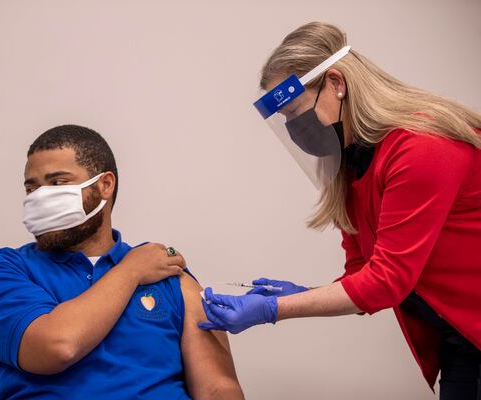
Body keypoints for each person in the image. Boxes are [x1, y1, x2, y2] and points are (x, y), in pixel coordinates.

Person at [199, 22, 481, 399]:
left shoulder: (420, 149)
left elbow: (385, 282)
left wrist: (274, 309)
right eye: (285, 120)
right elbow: (363, 275)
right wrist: (305, 293)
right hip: (459, 339)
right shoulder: (352, 167)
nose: (295, 128)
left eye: (296, 111)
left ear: (337, 83)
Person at [0, 125, 244, 399]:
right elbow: (57, 347)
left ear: (105, 185)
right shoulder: (4, 271)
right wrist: (132, 270)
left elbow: (218, 388)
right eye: (32, 187)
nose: (40, 197)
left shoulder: (167, 273)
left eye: (57, 183)